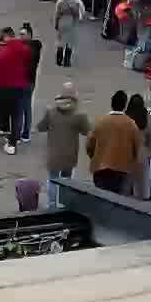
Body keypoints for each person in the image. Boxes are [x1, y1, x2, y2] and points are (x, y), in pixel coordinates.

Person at [35, 82, 92, 210]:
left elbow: (41, 127)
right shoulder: (79, 115)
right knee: (67, 181)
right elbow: (87, 131)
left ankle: (52, 206)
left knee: (52, 180)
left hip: (54, 154)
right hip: (70, 155)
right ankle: (65, 205)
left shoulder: (51, 111)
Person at [87, 90, 143, 194]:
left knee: (101, 199)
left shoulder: (100, 121)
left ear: (111, 104)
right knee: (118, 202)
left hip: (101, 168)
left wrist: (95, 157)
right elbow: (137, 147)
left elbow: (90, 144)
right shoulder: (131, 124)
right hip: (122, 169)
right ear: (124, 106)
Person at [53, 0, 86, 67]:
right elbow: (82, 12)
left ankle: (59, 60)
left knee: (61, 41)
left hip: (62, 21)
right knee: (70, 42)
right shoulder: (77, 1)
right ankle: (67, 62)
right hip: (72, 22)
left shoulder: (60, 1)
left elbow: (57, 14)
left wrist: (56, 24)